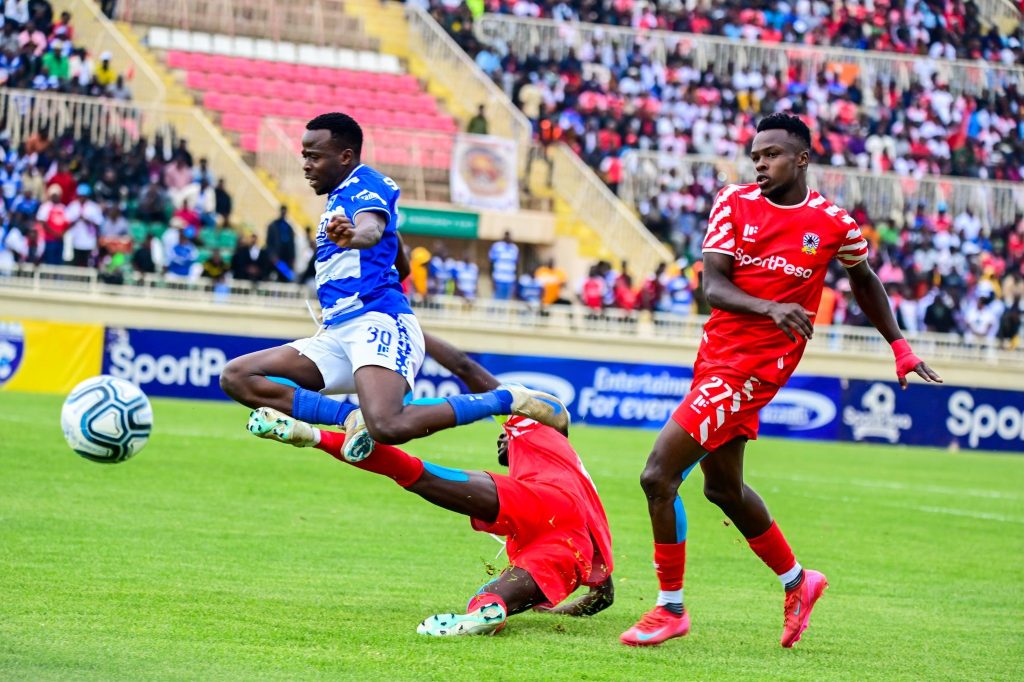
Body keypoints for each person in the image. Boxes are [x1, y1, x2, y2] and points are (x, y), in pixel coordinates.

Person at [620, 113, 943, 649]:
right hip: (717, 357)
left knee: (657, 475)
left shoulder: (834, 223)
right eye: (755, 156)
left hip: (754, 370)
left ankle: (669, 607)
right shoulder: (734, 202)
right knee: (723, 488)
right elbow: (714, 288)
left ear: (801, 158)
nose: (760, 164)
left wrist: (900, 347)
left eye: (771, 154)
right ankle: (799, 581)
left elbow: (865, 281)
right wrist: (769, 306)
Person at [220, 112, 568, 465]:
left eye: (314, 156)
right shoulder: (340, 195)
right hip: (339, 330)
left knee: (387, 425)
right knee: (239, 377)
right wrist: (375, 253)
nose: (305, 165)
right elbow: (394, 252)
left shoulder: (364, 187)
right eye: (304, 154)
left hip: (374, 321)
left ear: (345, 156)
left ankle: (509, 400)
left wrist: (357, 238)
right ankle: (348, 419)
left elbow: (370, 230)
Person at [245, 332, 614, 636]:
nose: (501, 442)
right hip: (569, 546)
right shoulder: (582, 484)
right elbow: (604, 595)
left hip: (542, 503)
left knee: (415, 472)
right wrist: (562, 610)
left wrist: (416, 333)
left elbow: (464, 367)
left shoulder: (533, 426)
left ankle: (312, 435)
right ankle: (485, 613)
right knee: (492, 597)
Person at [265, 204, 296, 280]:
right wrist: (272, 255)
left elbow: (292, 244)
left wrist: (292, 258)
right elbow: (269, 242)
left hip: (286, 258)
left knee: (285, 278)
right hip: (276, 257)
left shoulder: (289, 227)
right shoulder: (273, 226)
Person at [488, 231, 518, 300]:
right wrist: (492, 279)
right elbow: (491, 264)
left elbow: (516, 266)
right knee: (496, 302)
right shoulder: (497, 246)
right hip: (498, 279)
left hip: (509, 280)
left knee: (506, 302)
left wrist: (515, 281)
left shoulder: (514, 248)